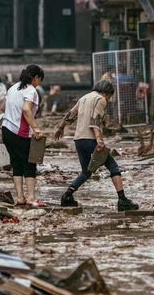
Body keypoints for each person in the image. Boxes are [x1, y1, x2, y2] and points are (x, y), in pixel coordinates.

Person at [54, 80, 139, 211]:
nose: (109, 99)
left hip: (79, 140)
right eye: (109, 96)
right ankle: (122, 200)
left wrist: (60, 128)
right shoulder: (100, 99)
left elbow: (70, 114)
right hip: (91, 140)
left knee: (86, 172)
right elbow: (95, 121)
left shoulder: (84, 98)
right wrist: (99, 140)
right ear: (106, 93)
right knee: (114, 168)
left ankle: (67, 195)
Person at [2, 65, 45, 208]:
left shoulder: (13, 88)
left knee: (16, 164)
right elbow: (26, 109)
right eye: (40, 79)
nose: (39, 82)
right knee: (30, 164)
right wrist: (36, 128)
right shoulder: (31, 90)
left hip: (6, 130)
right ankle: (32, 198)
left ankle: (20, 197)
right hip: (20, 132)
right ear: (36, 77)